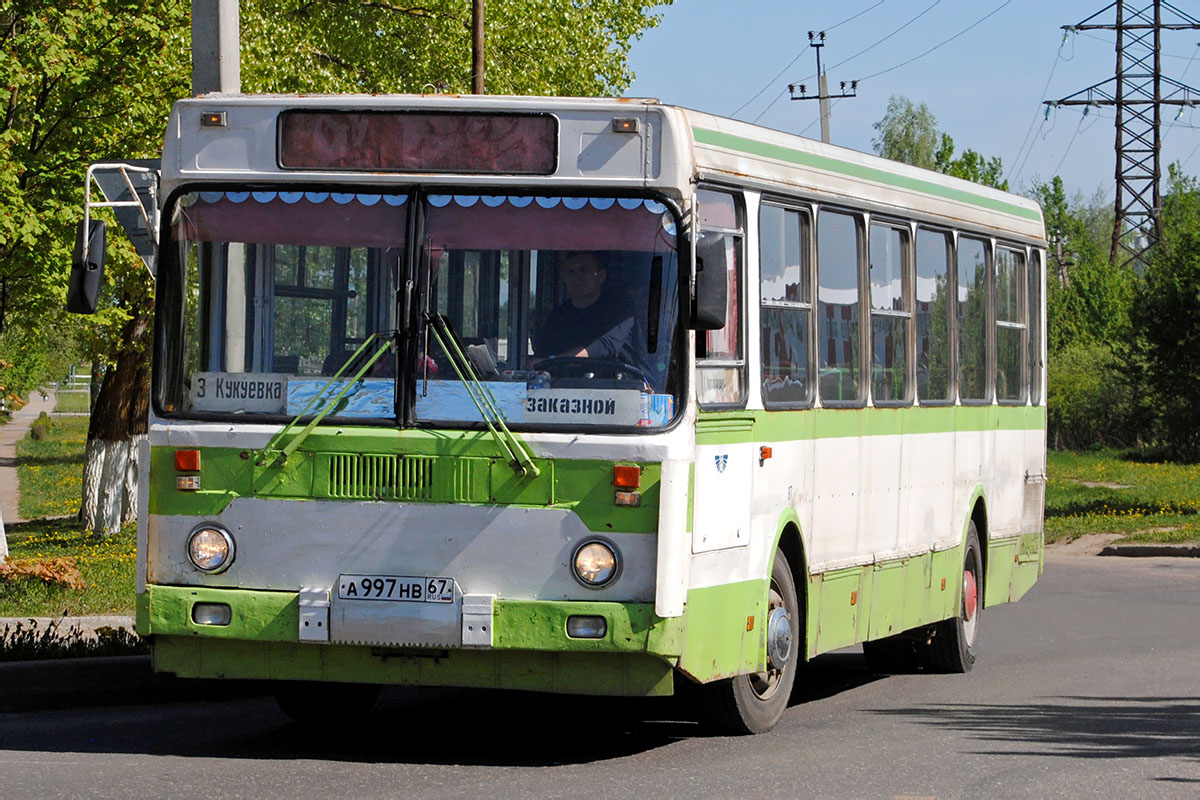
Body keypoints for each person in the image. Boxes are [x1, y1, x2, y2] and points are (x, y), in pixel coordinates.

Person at [534, 252, 641, 367]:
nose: (576, 277)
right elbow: (542, 355)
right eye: (570, 272)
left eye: (584, 270)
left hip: (618, 382)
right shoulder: (557, 317)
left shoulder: (621, 309)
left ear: (601, 276)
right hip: (563, 383)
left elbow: (606, 346)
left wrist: (556, 360)